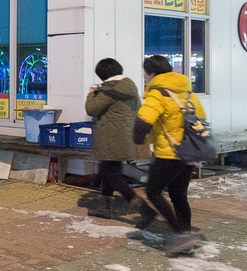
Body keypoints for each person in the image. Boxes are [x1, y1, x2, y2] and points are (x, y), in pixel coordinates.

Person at [133, 54, 204, 256]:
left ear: (152, 73)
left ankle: (181, 235)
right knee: (178, 194)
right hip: (190, 151)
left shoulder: (157, 94)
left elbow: (142, 122)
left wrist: (138, 140)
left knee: (153, 192)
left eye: (146, 74)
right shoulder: (187, 93)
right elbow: (201, 118)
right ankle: (186, 235)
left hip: (169, 153)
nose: (145, 78)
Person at [85, 58, 155, 223]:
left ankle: (144, 209)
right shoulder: (130, 87)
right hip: (125, 136)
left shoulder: (108, 90)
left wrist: (91, 94)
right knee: (108, 171)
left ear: (102, 75)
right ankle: (104, 207)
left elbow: (91, 109)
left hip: (111, 138)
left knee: (112, 176)